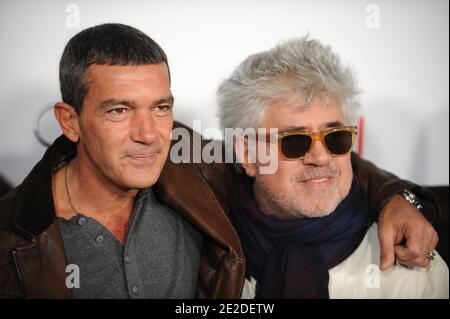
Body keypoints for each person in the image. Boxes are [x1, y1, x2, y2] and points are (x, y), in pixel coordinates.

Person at [0, 23, 441, 299]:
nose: (149, 133)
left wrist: (398, 198)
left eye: (160, 108)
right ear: (69, 121)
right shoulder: (11, 240)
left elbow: (320, 165)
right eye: (118, 110)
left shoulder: (190, 180)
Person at [216, 37, 448, 298]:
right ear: (248, 155)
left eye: (335, 137)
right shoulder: (208, 258)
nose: (321, 157)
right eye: (294, 141)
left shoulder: (412, 266)